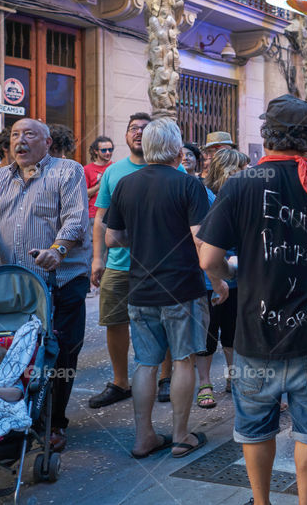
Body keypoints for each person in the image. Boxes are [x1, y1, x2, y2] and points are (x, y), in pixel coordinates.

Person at [197, 94, 307, 505]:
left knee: (254, 428)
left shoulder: (240, 184)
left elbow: (207, 259)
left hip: (257, 334)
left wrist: (232, 274)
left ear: (267, 134)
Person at [0, 118, 89, 453]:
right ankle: (13, 413)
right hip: (14, 284)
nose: (21, 141)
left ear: (47, 142)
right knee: (12, 351)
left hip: (62, 280)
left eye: (30, 135)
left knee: (60, 353)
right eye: (15, 135)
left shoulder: (67, 171)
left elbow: (76, 220)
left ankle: (53, 423)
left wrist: (57, 250)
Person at [105, 118, 211, 460]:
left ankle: (143, 437)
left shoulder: (125, 184)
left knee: (145, 363)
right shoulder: (189, 185)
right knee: (183, 360)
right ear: (178, 150)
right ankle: (181, 436)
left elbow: (112, 238)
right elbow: (201, 242)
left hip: (140, 288)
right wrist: (220, 281)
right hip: (182, 288)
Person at [90, 113, 175, 409]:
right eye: (132, 128)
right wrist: (97, 258)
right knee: (114, 321)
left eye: (144, 128)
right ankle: (120, 382)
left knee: (163, 322)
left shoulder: (171, 171)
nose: (138, 133)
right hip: (119, 263)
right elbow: (100, 217)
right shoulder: (114, 172)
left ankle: (166, 377)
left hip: (159, 265)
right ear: (125, 136)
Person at [195, 148, 250, 408]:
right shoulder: (206, 196)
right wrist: (215, 277)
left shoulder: (242, 195)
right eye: (242, 169)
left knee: (232, 332)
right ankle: (205, 384)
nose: (247, 173)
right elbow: (200, 241)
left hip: (237, 275)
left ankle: (232, 378)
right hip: (209, 277)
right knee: (207, 334)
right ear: (229, 169)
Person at [84, 136, 114, 230]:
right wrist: (99, 186)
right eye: (104, 150)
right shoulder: (87, 169)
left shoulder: (115, 167)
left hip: (113, 214)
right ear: (96, 151)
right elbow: (83, 193)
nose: (108, 153)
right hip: (94, 215)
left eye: (110, 149)